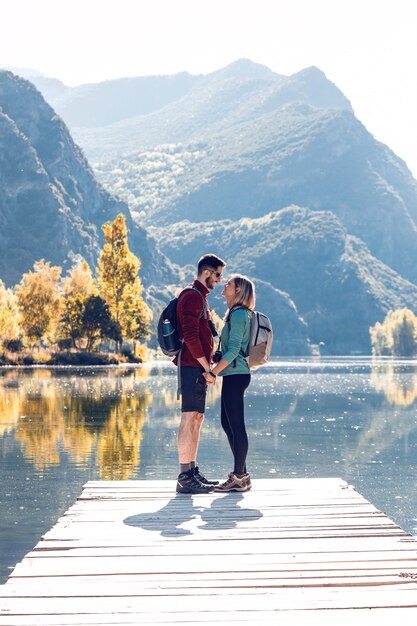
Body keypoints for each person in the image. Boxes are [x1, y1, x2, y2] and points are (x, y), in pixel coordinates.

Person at [175, 254, 226, 494]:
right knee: (189, 418)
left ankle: (192, 471)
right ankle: (185, 475)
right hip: (191, 366)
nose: (219, 280)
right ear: (206, 272)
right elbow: (191, 335)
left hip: (197, 366)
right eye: (217, 275)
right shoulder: (191, 297)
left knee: (197, 418)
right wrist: (207, 368)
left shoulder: (200, 298)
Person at [203, 275, 255, 492]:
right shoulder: (234, 314)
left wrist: (213, 373)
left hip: (236, 375)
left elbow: (234, 351)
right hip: (233, 375)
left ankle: (239, 476)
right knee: (228, 424)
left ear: (238, 291)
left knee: (236, 425)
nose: (224, 286)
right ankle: (242, 475)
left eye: (229, 284)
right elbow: (230, 349)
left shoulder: (240, 314)